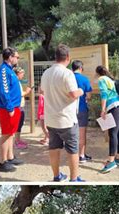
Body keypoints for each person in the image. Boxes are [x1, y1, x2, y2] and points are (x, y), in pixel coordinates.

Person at [40, 44, 85, 182]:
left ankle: (56, 176)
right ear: (68, 58)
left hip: (51, 119)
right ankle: (74, 178)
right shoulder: (67, 73)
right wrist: (81, 91)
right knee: (72, 149)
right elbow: (73, 94)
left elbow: (41, 91)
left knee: (54, 148)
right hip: (66, 119)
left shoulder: (46, 73)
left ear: (55, 57)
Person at [96, 66, 119, 173]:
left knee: (113, 133)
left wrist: (102, 110)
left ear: (98, 73)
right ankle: (118, 159)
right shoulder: (113, 80)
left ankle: (111, 161)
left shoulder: (102, 79)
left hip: (115, 106)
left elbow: (104, 94)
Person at [0, 47, 24, 172]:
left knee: (11, 133)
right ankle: (3, 162)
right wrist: (9, 107)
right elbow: (4, 91)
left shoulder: (9, 70)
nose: (17, 59)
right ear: (10, 57)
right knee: (6, 134)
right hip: (7, 108)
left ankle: (10, 157)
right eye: (16, 57)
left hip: (13, 107)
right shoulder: (3, 71)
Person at [72, 61, 93, 162]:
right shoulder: (84, 79)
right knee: (82, 133)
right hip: (81, 109)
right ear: (81, 68)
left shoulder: (68, 78)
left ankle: (73, 155)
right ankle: (81, 155)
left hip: (69, 110)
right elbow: (88, 96)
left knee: (71, 133)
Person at [14, 67, 32, 149]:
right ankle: (16, 142)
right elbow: (20, 94)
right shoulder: (16, 82)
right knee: (18, 124)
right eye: (22, 73)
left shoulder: (17, 82)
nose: (23, 75)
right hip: (18, 106)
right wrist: (27, 92)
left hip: (20, 106)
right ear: (18, 74)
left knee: (20, 124)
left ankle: (18, 139)